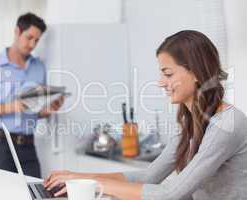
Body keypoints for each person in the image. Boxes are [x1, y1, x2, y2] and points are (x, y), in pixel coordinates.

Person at [43, 30, 247, 199]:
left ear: (195, 73)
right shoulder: (190, 119)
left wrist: (95, 184)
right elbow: (149, 175)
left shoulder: (226, 125)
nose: (160, 82)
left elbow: (170, 194)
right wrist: (78, 177)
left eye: (168, 74)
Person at [0, 12, 64, 178]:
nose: (32, 44)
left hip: (28, 145)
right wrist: (12, 107)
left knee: (35, 193)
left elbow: (34, 110)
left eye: (36, 40)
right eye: (29, 37)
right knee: (2, 194)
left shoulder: (39, 67)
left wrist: (48, 110)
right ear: (17, 31)